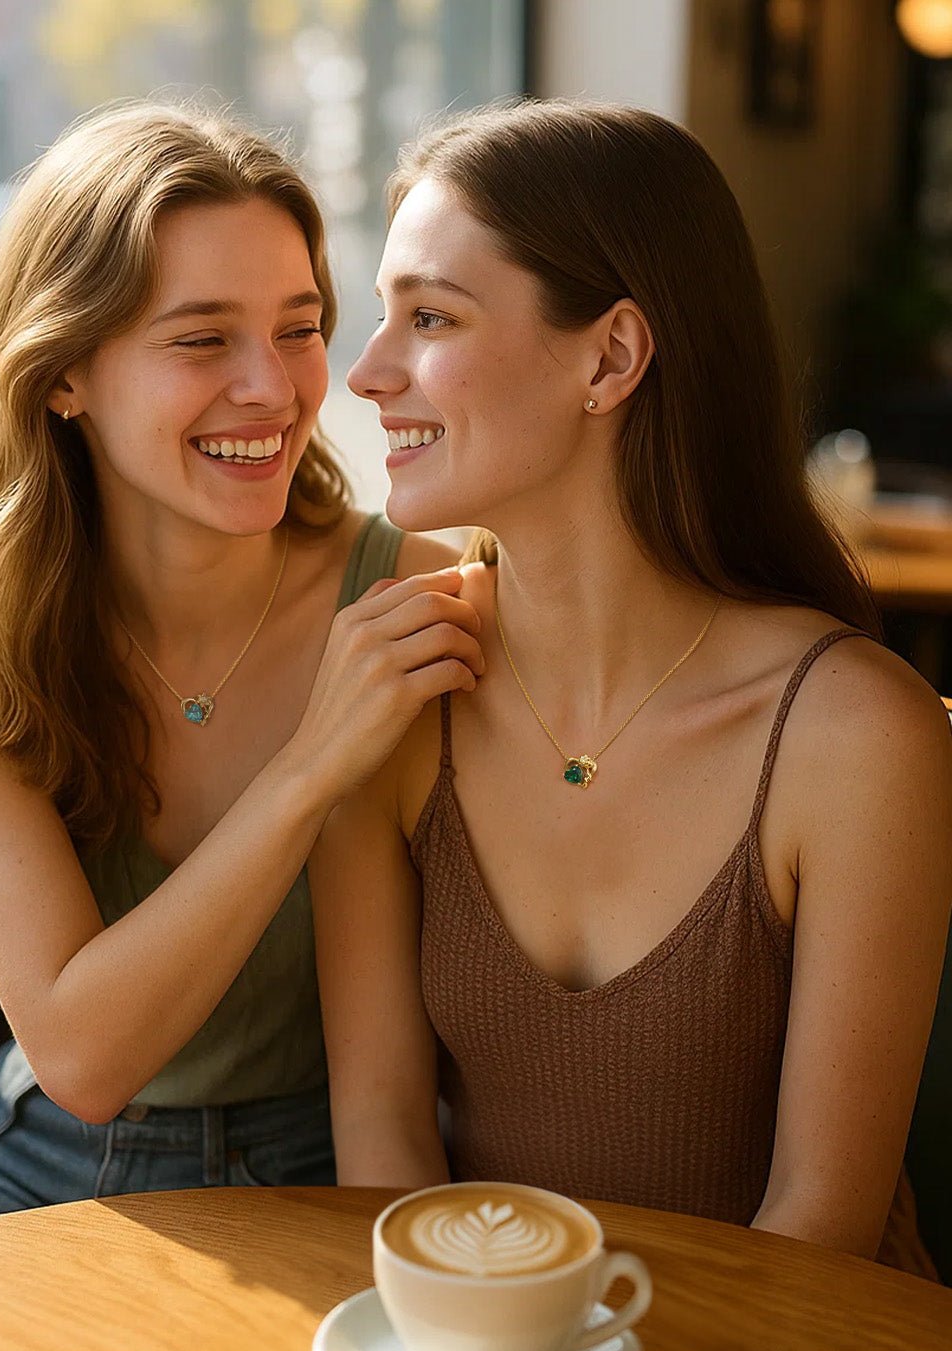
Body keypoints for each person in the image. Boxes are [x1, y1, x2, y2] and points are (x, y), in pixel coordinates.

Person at [311, 99, 952, 1276]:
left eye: (431, 317)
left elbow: (820, 1224)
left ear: (610, 357)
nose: (365, 373)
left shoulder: (855, 733)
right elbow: (386, 1141)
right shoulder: (394, 689)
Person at [0, 101, 484, 1247]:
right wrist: (307, 770)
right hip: (39, 1151)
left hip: (320, 1151)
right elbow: (81, 1059)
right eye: (202, 340)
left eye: (298, 329)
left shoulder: (412, 595)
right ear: (62, 377)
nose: (276, 390)